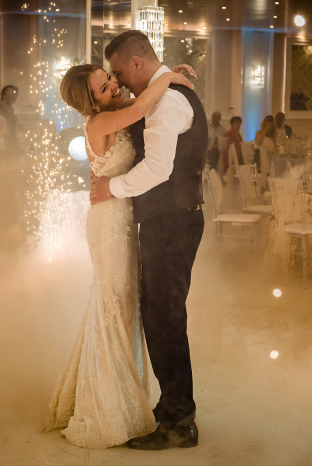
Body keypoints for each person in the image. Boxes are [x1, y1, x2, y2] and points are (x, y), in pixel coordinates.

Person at [43, 41, 198, 449]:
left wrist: (167, 74)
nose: (115, 85)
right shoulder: (101, 123)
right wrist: (166, 75)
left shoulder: (117, 112)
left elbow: (143, 98)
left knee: (132, 306)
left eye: (112, 77)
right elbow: (145, 103)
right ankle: (107, 403)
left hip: (130, 217)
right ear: (89, 101)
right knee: (114, 304)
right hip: (110, 219)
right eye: (104, 85)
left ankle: (143, 405)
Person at [89, 30, 205, 451]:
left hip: (171, 221)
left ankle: (179, 422)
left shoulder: (167, 101)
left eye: (119, 72)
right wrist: (168, 76)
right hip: (167, 219)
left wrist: (111, 189)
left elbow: (157, 169)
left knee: (165, 318)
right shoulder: (163, 94)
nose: (119, 81)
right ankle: (171, 408)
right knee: (158, 314)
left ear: (136, 63)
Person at [0, 85, 19, 156]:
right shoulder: (1, 108)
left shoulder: (9, 107)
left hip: (11, 137)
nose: (16, 97)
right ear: (7, 95)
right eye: (14, 95)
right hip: (6, 139)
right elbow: (1, 121)